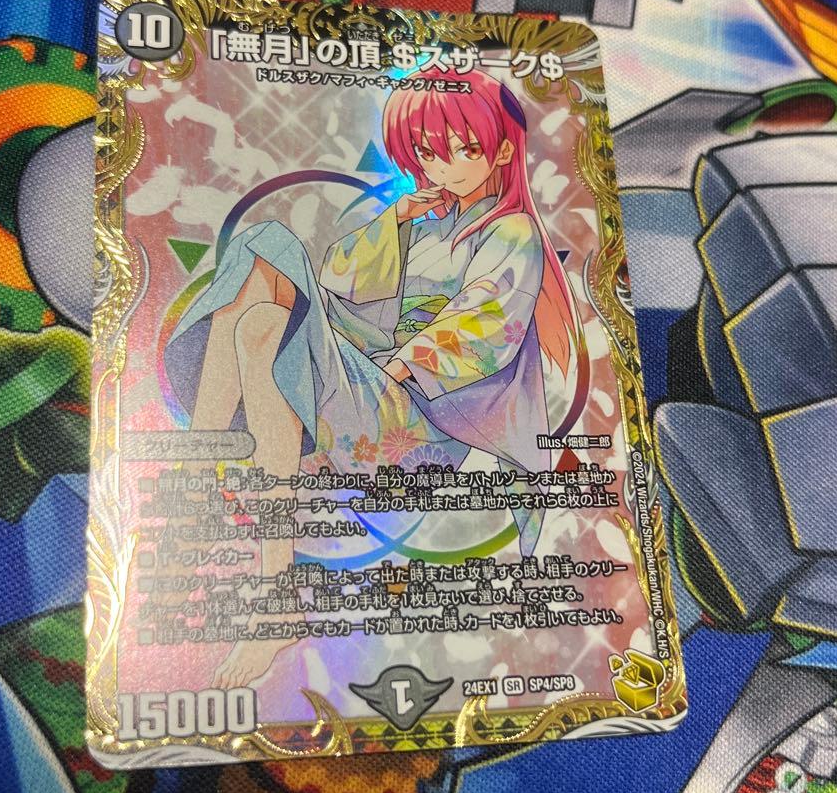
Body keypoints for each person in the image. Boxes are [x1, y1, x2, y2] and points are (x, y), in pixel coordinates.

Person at [164, 67, 583, 687]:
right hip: (374, 386)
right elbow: (337, 284)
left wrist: (396, 365)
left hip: (417, 427)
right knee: (264, 271)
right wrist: (396, 220)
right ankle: (205, 493)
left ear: (500, 152)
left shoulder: (512, 230)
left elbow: (484, 328)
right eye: (428, 152)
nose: (441, 167)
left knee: (268, 308)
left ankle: (237, 551)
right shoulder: (425, 219)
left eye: (461, 149)